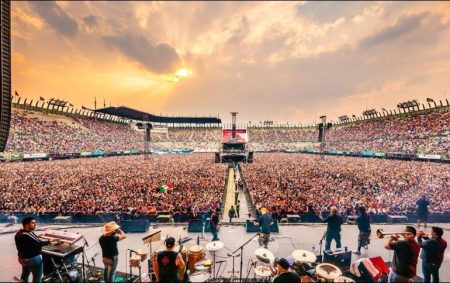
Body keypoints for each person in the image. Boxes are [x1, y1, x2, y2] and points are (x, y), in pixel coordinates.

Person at [15, 217, 57, 283]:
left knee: (25, 274)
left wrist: (38, 236)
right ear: (26, 225)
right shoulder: (28, 234)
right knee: (37, 277)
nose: (35, 224)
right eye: (33, 223)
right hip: (32, 260)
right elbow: (39, 243)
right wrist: (51, 241)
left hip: (22, 259)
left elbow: (30, 241)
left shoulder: (19, 233)